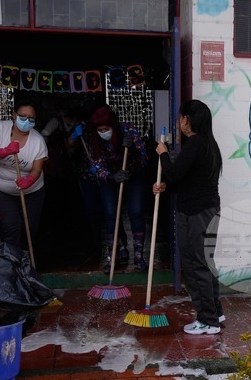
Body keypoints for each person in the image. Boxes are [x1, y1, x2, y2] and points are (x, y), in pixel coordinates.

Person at [153, 99, 223, 335]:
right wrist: (167, 188)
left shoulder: (195, 144)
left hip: (196, 213)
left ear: (187, 120)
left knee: (195, 264)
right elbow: (190, 179)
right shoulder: (208, 144)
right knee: (205, 262)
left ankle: (208, 320)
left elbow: (173, 173)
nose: (179, 121)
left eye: (181, 117)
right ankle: (216, 311)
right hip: (207, 210)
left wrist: (163, 154)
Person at [87, 105, 149, 273]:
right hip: (111, 177)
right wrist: (111, 176)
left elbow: (144, 158)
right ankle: (113, 256)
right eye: (100, 129)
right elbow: (97, 167)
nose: (103, 132)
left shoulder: (128, 130)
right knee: (111, 213)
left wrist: (133, 151)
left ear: (113, 125)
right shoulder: (95, 141)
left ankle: (139, 257)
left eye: (106, 129)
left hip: (134, 174)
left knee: (135, 210)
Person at [0, 99, 47, 253]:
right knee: (11, 226)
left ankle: (26, 261)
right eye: (23, 116)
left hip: (31, 191)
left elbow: (37, 169)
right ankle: (11, 263)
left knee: (29, 227)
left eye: (31, 118)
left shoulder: (38, 141)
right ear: (14, 115)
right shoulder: (0, 129)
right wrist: (3, 151)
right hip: (0, 189)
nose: (27, 121)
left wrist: (29, 180)